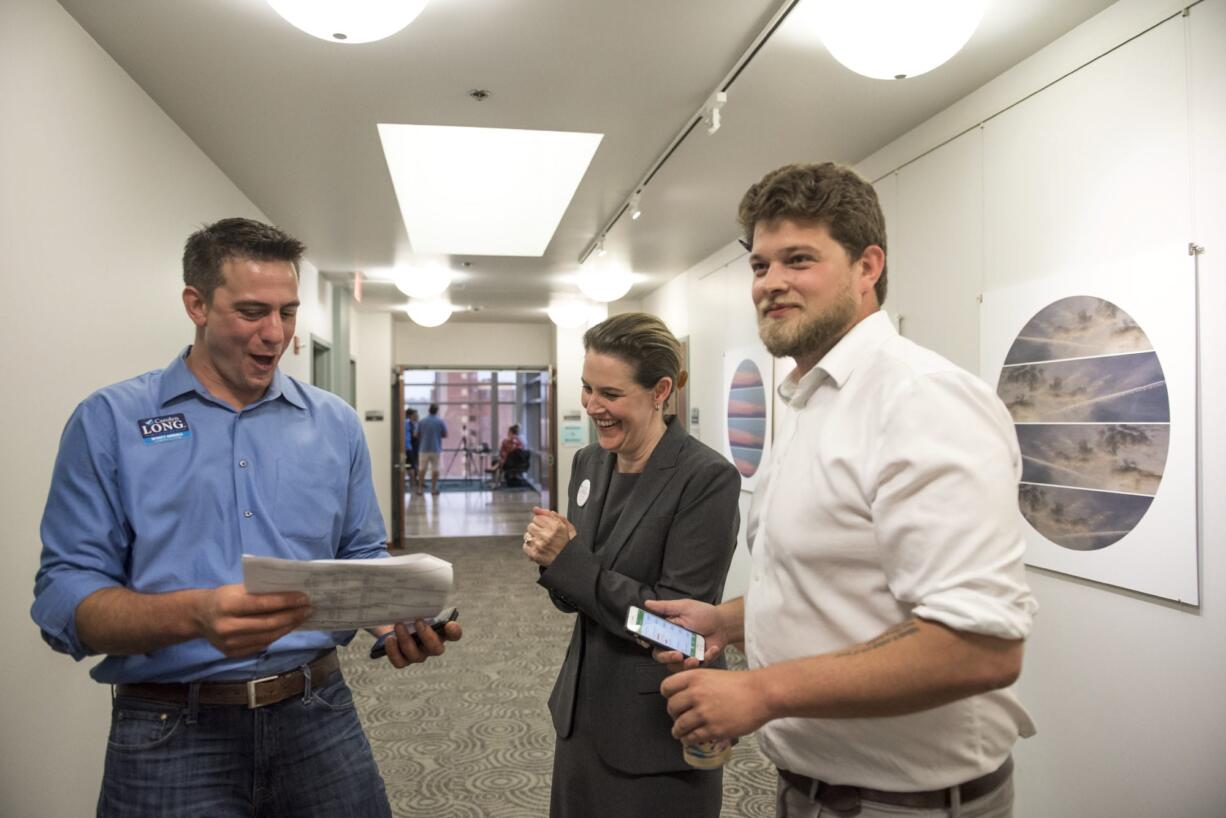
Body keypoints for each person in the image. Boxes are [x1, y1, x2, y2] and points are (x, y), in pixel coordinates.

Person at [31, 217, 461, 818]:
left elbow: (361, 552)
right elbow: (61, 600)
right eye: (252, 311)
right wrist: (196, 615)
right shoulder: (109, 421)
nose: (275, 334)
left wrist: (392, 619)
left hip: (319, 712)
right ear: (196, 304)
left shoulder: (334, 423)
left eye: (287, 313)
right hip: (168, 730)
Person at [650, 163, 1038, 818]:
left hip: (909, 803)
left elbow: (982, 648)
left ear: (868, 267)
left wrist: (765, 692)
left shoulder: (920, 399)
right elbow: (838, 581)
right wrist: (727, 622)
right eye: (760, 265)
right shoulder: (812, 398)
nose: (770, 283)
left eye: (798, 260)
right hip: (815, 789)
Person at [521, 312, 741, 818]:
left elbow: (673, 628)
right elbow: (571, 591)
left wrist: (568, 561)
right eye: (586, 388)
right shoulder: (589, 462)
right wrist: (552, 562)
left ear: (660, 390)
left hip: (656, 726)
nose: (592, 406)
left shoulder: (706, 478)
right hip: (580, 714)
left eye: (610, 394)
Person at [416, 403, 447, 495]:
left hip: (424, 448)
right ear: (436, 411)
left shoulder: (422, 421)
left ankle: (420, 489)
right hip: (435, 448)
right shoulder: (440, 421)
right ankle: (433, 489)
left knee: (422, 469)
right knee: (435, 469)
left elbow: (416, 434)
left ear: (428, 410)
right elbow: (445, 434)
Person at [405, 407, 420, 487]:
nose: (416, 416)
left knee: (413, 465)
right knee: (412, 466)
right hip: (409, 447)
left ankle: (414, 483)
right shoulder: (408, 423)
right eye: (415, 415)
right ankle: (413, 484)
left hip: (412, 447)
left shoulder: (413, 423)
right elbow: (414, 435)